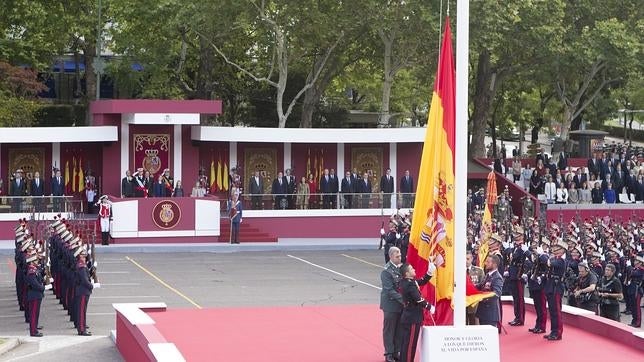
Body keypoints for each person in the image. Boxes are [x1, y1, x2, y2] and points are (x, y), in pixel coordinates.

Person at [399, 262, 435, 362]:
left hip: (408, 317)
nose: (414, 269)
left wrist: (429, 272)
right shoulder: (409, 284)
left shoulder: (407, 282)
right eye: (411, 269)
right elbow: (418, 299)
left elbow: (422, 281)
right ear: (407, 273)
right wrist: (429, 307)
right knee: (410, 344)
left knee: (405, 343)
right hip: (412, 318)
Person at [380, 247, 403, 362]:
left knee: (398, 329)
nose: (400, 258)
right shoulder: (386, 271)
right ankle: (388, 353)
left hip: (399, 305)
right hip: (390, 305)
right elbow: (389, 290)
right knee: (389, 330)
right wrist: (404, 299)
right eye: (397, 256)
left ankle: (396, 351)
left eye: (400, 256)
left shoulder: (401, 268)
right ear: (391, 257)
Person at [544, 239, 567, 341]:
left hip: (556, 287)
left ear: (562, 250)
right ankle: (553, 330)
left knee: (556, 311)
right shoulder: (555, 258)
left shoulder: (561, 260)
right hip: (551, 286)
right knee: (552, 311)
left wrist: (549, 257)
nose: (553, 249)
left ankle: (557, 332)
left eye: (556, 248)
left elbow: (550, 263)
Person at [506, 227, 530, 326]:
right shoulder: (514, 247)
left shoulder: (523, 248)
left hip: (519, 275)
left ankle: (520, 318)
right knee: (515, 297)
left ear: (522, 236)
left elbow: (527, 262)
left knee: (519, 298)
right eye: (515, 234)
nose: (516, 236)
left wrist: (524, 273)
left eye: (518, 235)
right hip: (513, 274)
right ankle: (517, 316)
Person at [476, 254, 504, 331]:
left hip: (490, 312)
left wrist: (483, 297)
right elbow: (480, 286)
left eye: (488, 262)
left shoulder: (497, 277)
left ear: (494, 264)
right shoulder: (488, 275)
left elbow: (496, 293)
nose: (485, 263)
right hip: (483, 311)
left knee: (488, 338)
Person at [528, 242, 549, 334]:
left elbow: (545, 262)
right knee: (537, 306)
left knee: (542, 307)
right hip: (534, 284)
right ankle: (538, 325)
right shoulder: (536, 255)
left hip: (541, 286)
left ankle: (542, 326)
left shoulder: (545, 256)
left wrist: (541, 254)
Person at [74, 248, 93, 336]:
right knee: (81, 311)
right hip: (83, 291)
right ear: (79, 256)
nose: (85, 256)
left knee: (82, 310)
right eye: (83, 255)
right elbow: (84, 280)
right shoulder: (81, 266)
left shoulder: (82, 265)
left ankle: (82, 327)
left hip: (82, 290)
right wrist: (91, 286)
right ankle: (81, 329)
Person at [25, 255, 44, 337]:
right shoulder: (31, 271)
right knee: (33, 314)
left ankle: (35, 329)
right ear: (32, 262)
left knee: (36, 314)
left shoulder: (35, 269)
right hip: (34, 295)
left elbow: (39, 277)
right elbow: (34, 284)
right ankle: (33, 331)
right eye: (36, 260)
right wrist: (43, 288)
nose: (38, 261)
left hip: (36, 294)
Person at [467, 250, 485, 325]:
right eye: (464, 259)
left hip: (474, 302)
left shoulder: (479, 271)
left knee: (473, 323)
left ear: (472, 259)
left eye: (467, 259)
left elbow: (483, 284)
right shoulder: (457, 271)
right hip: (462, 302)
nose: (465, 261)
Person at [627, 256, 643, 327]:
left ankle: (637, 322)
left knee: (636, 307)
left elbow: (633, 274)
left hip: (637, 290)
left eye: (636, 260)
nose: (634, 261)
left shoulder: (641, 270)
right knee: (632, 306)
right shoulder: (635, 269)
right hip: (632, 288)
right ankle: (634, 320)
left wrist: (629, 266)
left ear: (640, 262)